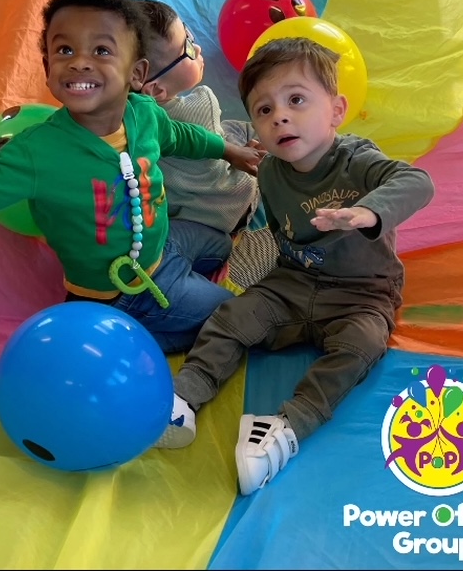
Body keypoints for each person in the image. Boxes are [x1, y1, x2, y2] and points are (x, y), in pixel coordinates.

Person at [158, 37, 436, 495]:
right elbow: (272, 228)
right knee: (230, 317)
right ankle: (184, 398)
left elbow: (416, 181)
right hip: (292, 281)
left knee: (362, 345)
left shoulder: (356, 160)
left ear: (336, 110)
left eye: (296, 100)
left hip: (361, 293)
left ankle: (286, 428)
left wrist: (368, 213)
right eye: (264, 110)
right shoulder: (268, 172)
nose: (279, 116)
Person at [0, 0, 257, 360]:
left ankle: (173, 296)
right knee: (240, 317)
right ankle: (125, 338)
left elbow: (183, 137)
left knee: (218, 245)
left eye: (102, 50)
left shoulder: (144, 113)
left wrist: (230, 151)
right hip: (123, 290)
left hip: (161, 246)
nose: (80, 62)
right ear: (46, 67)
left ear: (136, 73)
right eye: (64, 49)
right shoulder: (36, 153)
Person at [137, 0, 279, 288]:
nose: (197, 48)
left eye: (189, 35)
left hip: (186, 210)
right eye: (187, 48)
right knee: (243, 131)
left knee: (231, 132)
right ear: (156, 90)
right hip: (232, 205)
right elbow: (216, 147)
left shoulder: (125, 123)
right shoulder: (202, 103)